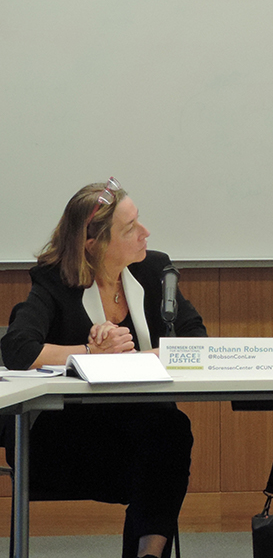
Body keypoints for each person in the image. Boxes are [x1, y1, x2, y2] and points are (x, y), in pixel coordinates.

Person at [1, 177, 205, 558]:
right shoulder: (55, 281)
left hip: (136, 434)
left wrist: (136, 359)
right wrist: (90, 355)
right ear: (93, 245)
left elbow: (196, 339)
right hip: (63, 440)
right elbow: (17, 348)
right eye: (130, 228)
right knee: (162, 441)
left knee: (170, 430)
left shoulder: (154, 269)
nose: (146, 233)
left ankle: (149, 556)